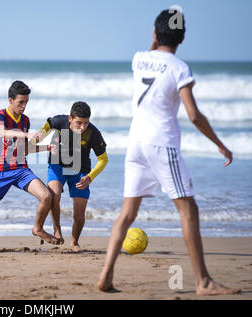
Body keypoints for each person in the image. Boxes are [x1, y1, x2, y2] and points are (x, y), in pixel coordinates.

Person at [97, 9, 240, 295]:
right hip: (162, 145)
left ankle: (106, 276)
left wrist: (155, 35)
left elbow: (154, 51)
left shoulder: (139, 59)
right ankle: (203, 282)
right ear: (183, 38)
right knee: (188, 211)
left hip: (135, 143)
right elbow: (194, 115)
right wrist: (221, 145)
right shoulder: (179, 68)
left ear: (154, 34)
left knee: (127, 213)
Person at [0, 80, 60, 251]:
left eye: (26, 102)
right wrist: (25, 134)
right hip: (0, 172)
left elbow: (24, 149)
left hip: (21, 170)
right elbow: (2, 133)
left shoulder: (25, 120)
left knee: (46, 196)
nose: (24, 106)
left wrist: (46, 147)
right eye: (21, 102)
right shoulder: (1, 115)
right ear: (10, 100)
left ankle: (37, 228)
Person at [34, 101, 108, 252]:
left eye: (86, 123)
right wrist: (32, 141)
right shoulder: (58, 121)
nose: (82, 127)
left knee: (79, 215)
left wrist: (90, 177)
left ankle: (74, 242)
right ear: (70, 119)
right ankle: (57, 230)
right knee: (54, 196)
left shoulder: (93, 133)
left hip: (80, 171)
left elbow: (103, 159)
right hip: (57, 165)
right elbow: (42, 131)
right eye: (79, 123)